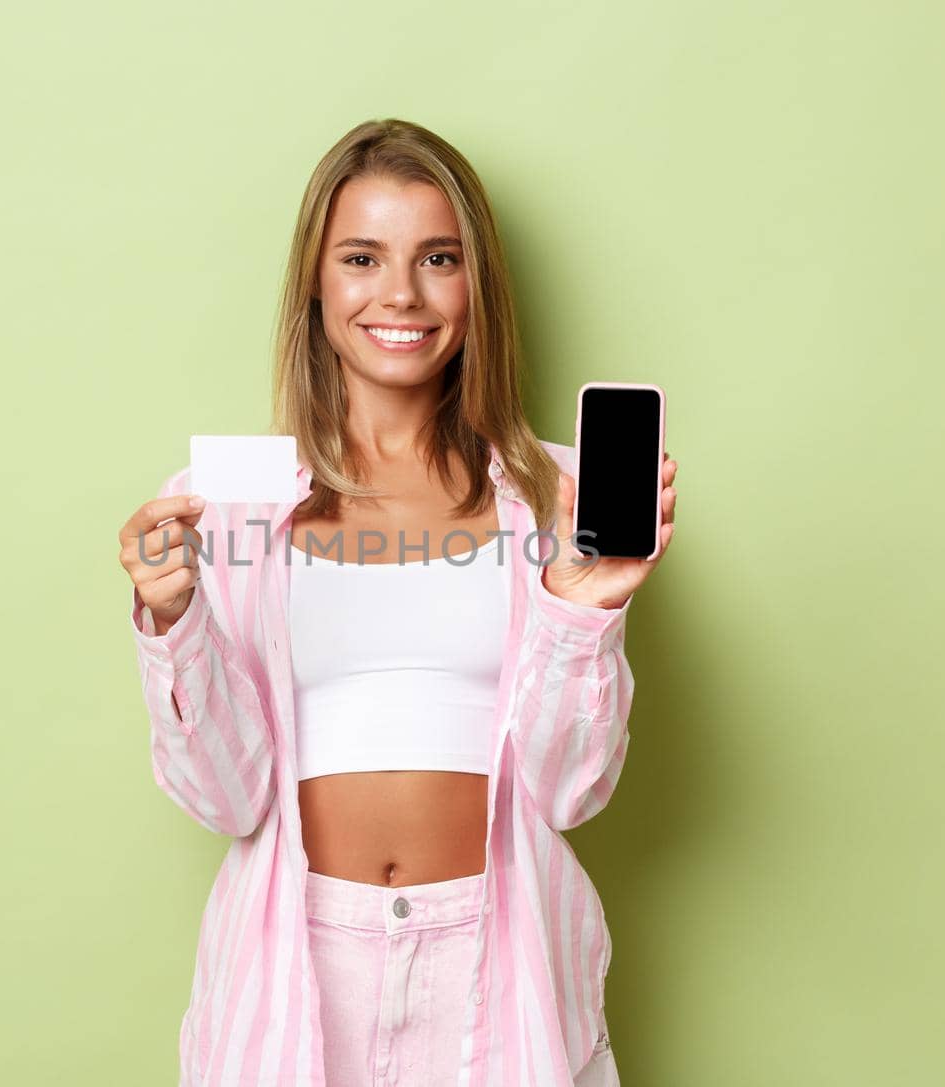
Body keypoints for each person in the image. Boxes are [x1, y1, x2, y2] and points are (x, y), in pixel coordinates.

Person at [118, 117, 679, 1086]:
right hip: (300, 964)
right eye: (362, 257)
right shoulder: (232, 502)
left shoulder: (560, 495)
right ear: (316, 281)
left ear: (477, 284)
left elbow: (571, 791)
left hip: (497, 966)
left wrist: (578, 611)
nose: (400, 294)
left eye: (438, 258)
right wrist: (175, 623)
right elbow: (225, 795)